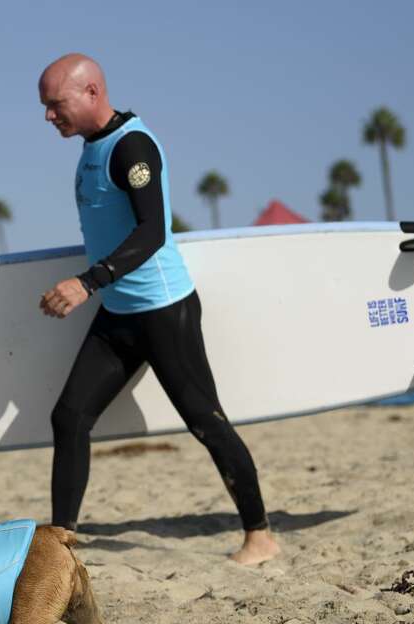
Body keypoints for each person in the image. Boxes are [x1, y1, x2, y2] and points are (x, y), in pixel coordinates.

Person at [36, 54, 278, 565]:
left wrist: (87, 283)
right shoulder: (91, 146)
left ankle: (260, 535)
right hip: (120, 314)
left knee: (205, 422)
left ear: (92, 92)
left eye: (56, 105)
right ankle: (61, 545)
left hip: (164, 311)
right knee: (70, 417)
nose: (48, 116)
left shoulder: (132, 147)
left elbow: (152, 232)